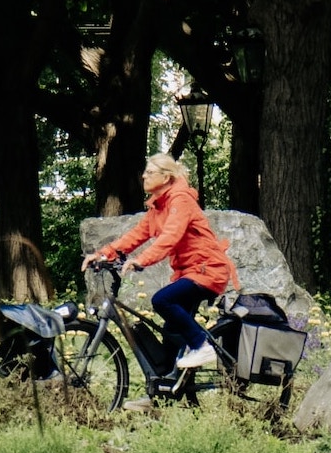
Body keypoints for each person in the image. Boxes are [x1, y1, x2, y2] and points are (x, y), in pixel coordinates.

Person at [85, 154, 236, 372]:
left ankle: (202, 345)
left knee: (162, 300)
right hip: (188, 273)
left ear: (166, 178)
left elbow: (171, 236)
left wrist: (141, 260)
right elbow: (136, 235)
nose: (144, 176)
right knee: (171, 335)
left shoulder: (180, 200)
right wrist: (103, 255)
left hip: (208, 270)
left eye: (150, 172)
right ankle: (160, 389)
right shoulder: (158, 207)